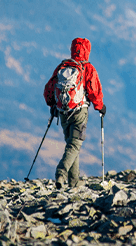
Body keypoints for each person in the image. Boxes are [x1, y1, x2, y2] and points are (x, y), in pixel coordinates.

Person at [43, 37, 106, 189]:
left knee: (72, 145)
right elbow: (94, 91)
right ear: (88, 51)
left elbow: (49, 90)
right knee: (75, 144)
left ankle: (74, 183)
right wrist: (100, 107)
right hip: (79, 112)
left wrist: (53, 105)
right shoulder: (87, 68)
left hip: (63, 112)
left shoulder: (62, 67)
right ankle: (61, 172)